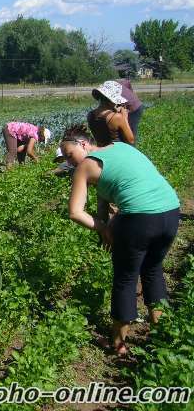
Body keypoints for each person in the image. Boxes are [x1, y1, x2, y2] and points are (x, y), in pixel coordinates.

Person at [60, 124, 180, 356]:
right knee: (153, 270)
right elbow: (111, 193)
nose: (70, 161)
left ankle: (118, 343)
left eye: (70, 154)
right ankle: (163, 334)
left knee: (125, 279)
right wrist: (109, 222)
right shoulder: (121, 147)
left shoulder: (86, 166)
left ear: (83, 144)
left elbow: (75, 212)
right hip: (171, 212)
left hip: (140, 218)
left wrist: (104, 228)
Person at [87, 81, 135, 147]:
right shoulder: (116, 117)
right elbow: (130, 140)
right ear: (111, 100)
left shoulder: (90, 115)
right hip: (115, 152)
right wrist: (124, 117)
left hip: (100, 150)